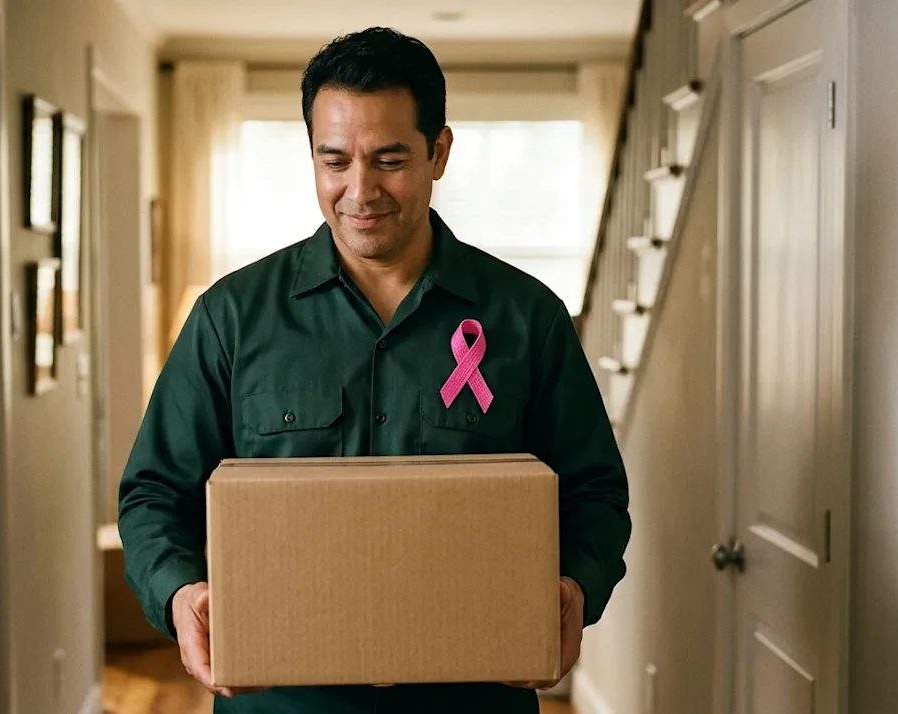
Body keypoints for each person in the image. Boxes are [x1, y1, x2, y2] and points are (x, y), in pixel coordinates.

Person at [118, 27, 631, 714]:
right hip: (280, 701)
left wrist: (575, 587)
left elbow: (594, 490)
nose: (360, 191)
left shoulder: (527, 317)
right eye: (334, 161)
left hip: (471, 697)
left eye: (389, 160)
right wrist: (179, 592)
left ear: (438, 152)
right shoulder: (229, 317)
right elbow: (154, 492)